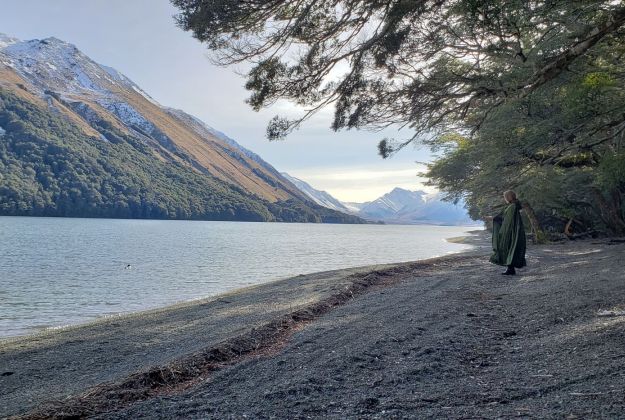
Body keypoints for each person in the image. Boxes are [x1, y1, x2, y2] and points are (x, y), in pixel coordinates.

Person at [490, 190, 527, 275]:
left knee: (509, 247)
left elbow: (507, 220)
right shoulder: (513, 206)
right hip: (514, 230)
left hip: (510, 231)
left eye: (505, 196)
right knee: (511, 248)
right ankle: (510, 269)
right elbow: (505, 217)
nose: (505, 198)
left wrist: (494, 219)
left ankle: (510, 269)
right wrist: (495, 218)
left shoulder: (512, 206)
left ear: (509, 197)